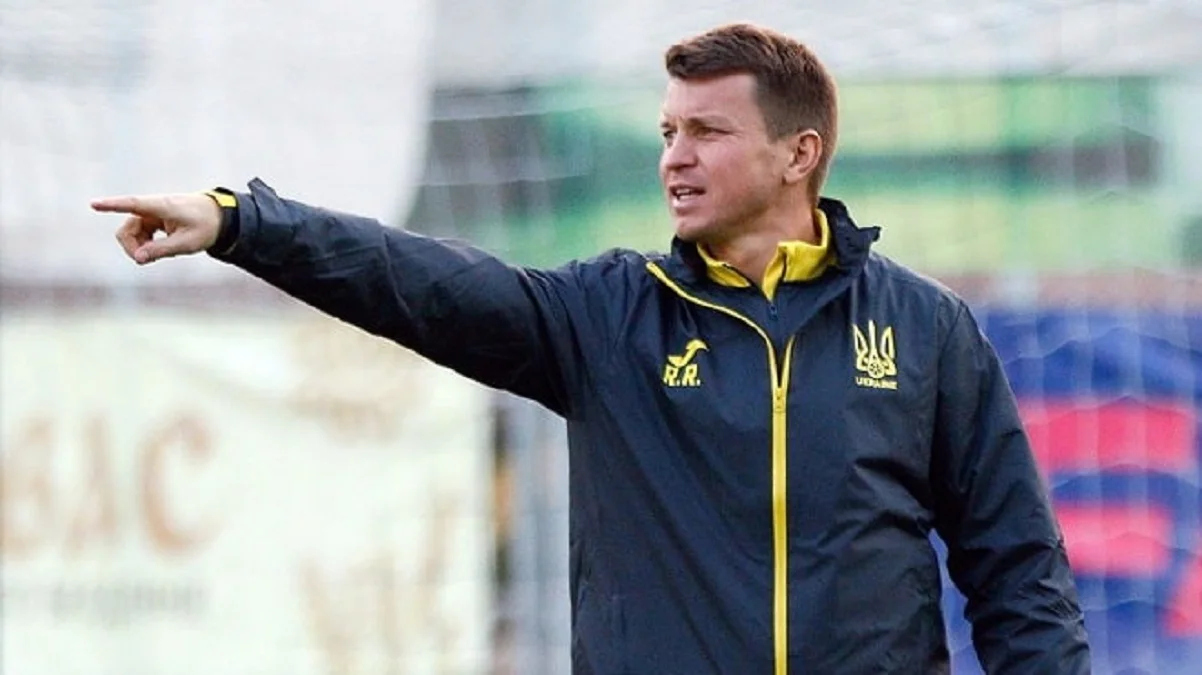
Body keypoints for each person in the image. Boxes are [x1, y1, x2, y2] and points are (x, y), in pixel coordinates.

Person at [92, 22, 1090, 675]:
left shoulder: (923, 329)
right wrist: (243, 223)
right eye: (666, 131)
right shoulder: (607, 315)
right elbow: (418, 280)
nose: (673, 158)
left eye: (705, 131)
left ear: (799, 153)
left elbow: (1016, 567)